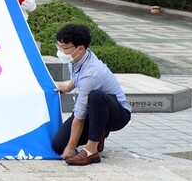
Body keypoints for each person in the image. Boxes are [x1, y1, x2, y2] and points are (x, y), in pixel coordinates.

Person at [52, 23, 132, 165]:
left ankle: (91, 150)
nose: (60, 51)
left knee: (95, 96)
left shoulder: (92, 74)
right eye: (59, 46)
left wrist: (71, 147)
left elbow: (80, 115)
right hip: (95, 110)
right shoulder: (75, 58)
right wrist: (68, 87)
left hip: (117, 113)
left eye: (64, 48)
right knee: (58, 145)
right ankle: (99, 131)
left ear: (80, 48)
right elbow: (77, 76)